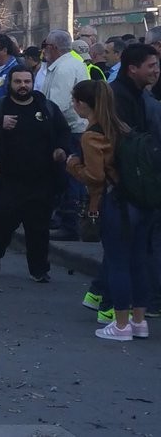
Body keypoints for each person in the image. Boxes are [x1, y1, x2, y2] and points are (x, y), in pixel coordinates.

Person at [66, 80, 152, 341]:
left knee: (117, 263)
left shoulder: (92, 135)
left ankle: (121, 324)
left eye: (75, 101)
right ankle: (139, 321)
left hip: (114, 204)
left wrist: (72, 165)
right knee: (138, 262)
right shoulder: (123, 127)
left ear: (82, 104)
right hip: (139, 202)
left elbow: (95, 175)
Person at [0, 67, 70, 281]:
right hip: (8, 180)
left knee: (38, 229)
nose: (23, 86)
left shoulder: (46, 108)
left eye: (27, 81)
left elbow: (63, 132)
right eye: (18, 82)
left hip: (41, 180)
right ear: (10, 84)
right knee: (1, 226)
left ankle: (39, 269)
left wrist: (61, 149)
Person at [40, 29, 91, 241]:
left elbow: (58, 105)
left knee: (70, 176)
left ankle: (70, 224)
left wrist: (44, 127)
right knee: (69, 176)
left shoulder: (64, 69)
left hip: (70, 130)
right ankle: (63, 218)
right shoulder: (67, 64)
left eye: (46, 47)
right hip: (73, 129)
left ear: (53, 48)